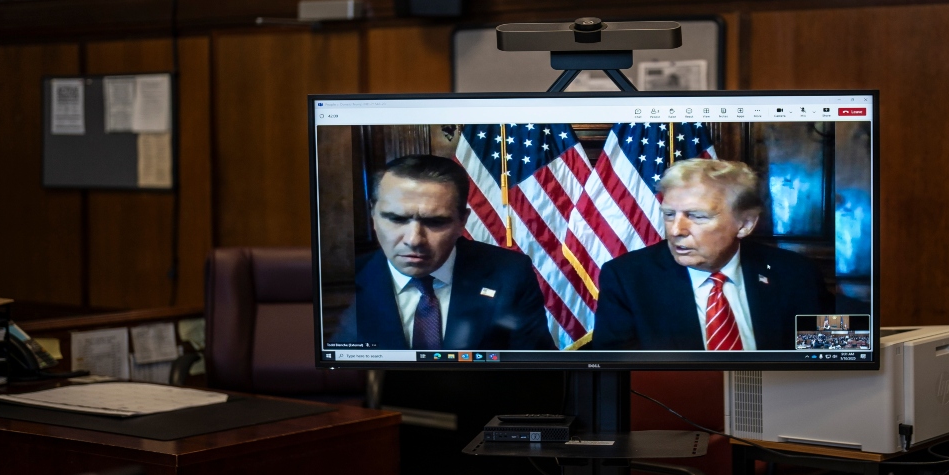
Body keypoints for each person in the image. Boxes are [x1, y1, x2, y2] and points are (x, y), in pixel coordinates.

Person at [594, 158, 830, 351]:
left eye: (697, 216)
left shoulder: (796, 273)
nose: (676, 231)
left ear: (745, 224)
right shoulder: (627, 278)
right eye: (669, 215)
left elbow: (826, 356)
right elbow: (616, 374)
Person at [328, 155, 555, 351]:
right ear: (373, 215)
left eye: (435, 222)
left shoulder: (510, 274)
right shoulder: (343, 282)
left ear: (462, 221)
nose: (414, 240)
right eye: (397, 219)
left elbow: (537, 369)